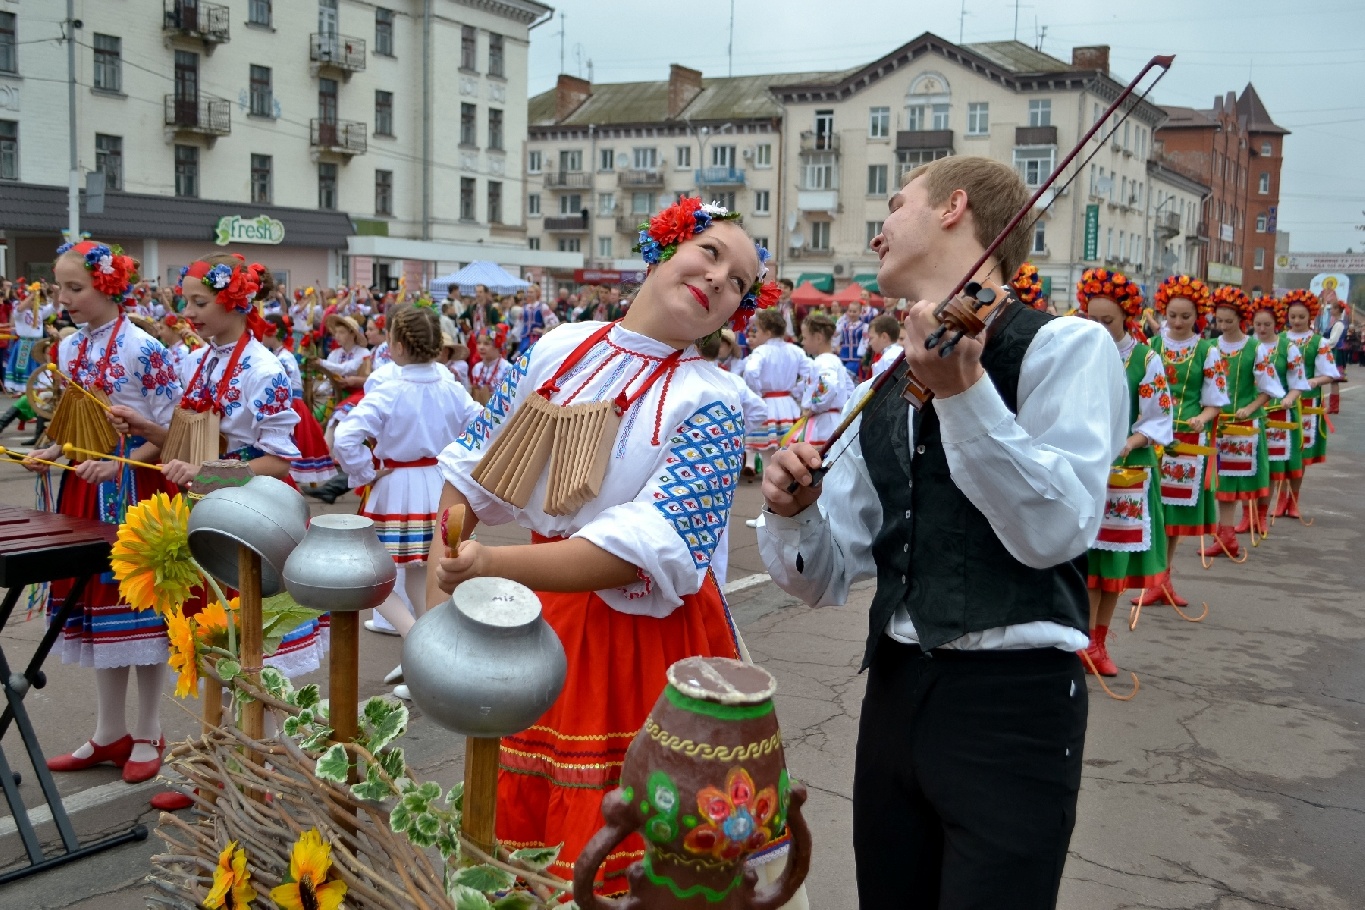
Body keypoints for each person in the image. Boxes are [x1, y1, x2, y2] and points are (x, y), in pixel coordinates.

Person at [756, 156, 1127, 909]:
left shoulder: (1066, 347)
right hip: (895, 691)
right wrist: (793, 512)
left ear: (953, 207)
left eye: (895, 205)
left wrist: (964, 396)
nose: (879, 231)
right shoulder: (884, 381)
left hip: (1012, 702)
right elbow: (823, 577)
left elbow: (1057, 528)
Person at [428, 196, 781, 894]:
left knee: (623, 851)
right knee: (522, 849)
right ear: (663, 249)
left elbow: (647, 546)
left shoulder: (713, 401)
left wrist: (493, 565)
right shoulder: (557, 348)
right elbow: (474, 465)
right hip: (537, 619)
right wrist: (449, 565)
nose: (718, 279)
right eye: (709, 253)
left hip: (639, 639)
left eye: (738, 282)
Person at [23, 240, 182, 785]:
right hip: (85, 486)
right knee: (95, 612)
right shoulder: (69, 348)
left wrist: (122, 463)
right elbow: (74, 422)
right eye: (60, 288)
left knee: (140, 611)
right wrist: (52, 451)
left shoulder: (146, 348)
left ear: (109, 287)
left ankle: (149, 731)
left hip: (135, 488)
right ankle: (109, 731)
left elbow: (173, 431)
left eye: (75, 288)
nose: (64, 298)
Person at [332, 304, 480, 698]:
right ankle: (425, 655)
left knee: (370, 574)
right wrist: (463, 463)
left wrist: (364, 471)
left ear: (396, 346)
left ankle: (419, 648)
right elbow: (483, 425)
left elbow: (346, 436)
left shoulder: (390, 388)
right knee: (422, 575)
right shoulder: (450, 385)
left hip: (398, 487)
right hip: (441, 485)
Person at [1073, 269, 1173, 678]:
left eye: (1107, 321)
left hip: (1126, 476)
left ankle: (1097, 643)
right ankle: (1079, 639)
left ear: (1127, 318)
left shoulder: (1146, 360)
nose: (1098, 328)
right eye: (1092, 319)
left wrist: (1129, 442)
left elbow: (1158, 419)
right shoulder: (1078, 354)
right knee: (1084, 560)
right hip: (1084, 469)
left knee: (1112, 562)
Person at [1133, 276, 1227, 610]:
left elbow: (1215, 402)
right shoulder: (1151, 347)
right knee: (1148, 510)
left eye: (1185, 316)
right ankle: (1151, 578)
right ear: (1163, 311)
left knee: (1171, 516)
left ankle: (1163, 579)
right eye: (1172, 315)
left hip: (1185, 441)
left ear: (1197, 316)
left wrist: (1203, 417)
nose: (1177, 322)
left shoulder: (1207, 351)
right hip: (1149, 438)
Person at [1209, 286, 1283, 556]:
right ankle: (1226, 534)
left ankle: (1238, 527)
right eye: (1219, 321)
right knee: (1221, 482)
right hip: (1217, 424)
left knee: (1239, 481)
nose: (1223, 326)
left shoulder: (1255, 348)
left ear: (1241, 319)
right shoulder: (1211, 347)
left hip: (1244, 426)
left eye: (1229, 321)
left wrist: (1249, 408)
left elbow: (1269, 389)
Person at [1281, 289, 1340, 517]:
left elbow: (1330, 374)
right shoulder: (1280, 340)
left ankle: (1294, 499)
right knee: (1280, 453)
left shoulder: (1318, 342)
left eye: (1301, 317)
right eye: (1292, 317)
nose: (1296, 321)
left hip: (1306, 404)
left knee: (1300, 453)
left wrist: (1314, 381)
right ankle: (1281, 498)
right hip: (1282, 403)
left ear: (1310, 317)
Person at [1251, 298, 1309, 529]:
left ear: (1276, 323)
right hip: (1253, 413)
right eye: (1258, 324)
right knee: (1249, 467)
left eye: (1267, 324)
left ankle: (1266, 513)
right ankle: (1248, 516)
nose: (1262, 329)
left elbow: (1299, 382)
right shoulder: (1248, 346)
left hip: (1280, 413)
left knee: (1274, 467)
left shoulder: (1288, 347)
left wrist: (1289, 398)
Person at [739, 308, 806, 479]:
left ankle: (772, 483)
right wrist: (797, 392)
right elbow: (811, 374)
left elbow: (751, 371)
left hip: (768, 404)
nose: (755, 334)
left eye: (758, 330)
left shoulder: (762, 351)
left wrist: (756, 393)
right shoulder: (795, 350)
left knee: (769, 456)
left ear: (767, 332)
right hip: (788, 404)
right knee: (787, 449)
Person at [794, 312, 855, 449]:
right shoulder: (834, 361)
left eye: (805, 338)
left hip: (823, 424)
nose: (802, 342)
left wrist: (814, 407)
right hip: (834, 420)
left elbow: (828, 384)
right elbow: (850, 389)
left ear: (818, 338)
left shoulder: (823, 361)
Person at [469, 324, 512, 406]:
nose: (481, 347)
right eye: (478, 343)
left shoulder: (507, 369)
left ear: (498, 345)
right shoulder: (477, 368)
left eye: (486, 344)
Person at [834, 299, 868, 376]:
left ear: (860, 312)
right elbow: (835, 336)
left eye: (854, 312)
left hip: (857, 358)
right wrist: (837, 347)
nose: (852, 314)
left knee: (848, 374)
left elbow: (865, 342)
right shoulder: (843, 325)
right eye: (850, 311)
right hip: (843, 356)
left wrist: (864, 355)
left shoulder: (864, 326)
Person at [867, 312, 903, 378]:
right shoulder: (895, 353)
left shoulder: (889, 359)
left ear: (884, 337)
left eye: (871, 338)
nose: (870, 343)